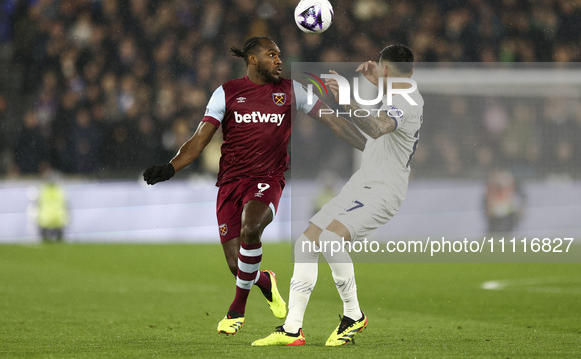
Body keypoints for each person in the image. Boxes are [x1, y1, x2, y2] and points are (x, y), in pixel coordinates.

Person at [143, 36, 366, 335]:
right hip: (230, 183)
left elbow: (335, 121)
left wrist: (371, 147)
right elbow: (200, 138)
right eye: (271, 55)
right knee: (238, 268)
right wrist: (171, 167)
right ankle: (265, 281)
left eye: (279, 55)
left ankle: (236, 310)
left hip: (267, 179)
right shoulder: (227, 93)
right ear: (252, 59)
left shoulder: (291, 91)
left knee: (251, 228)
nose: (278, 60)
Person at [252, 44, 423, 346]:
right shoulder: (398, 92)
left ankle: (353, 315)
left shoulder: (407, 102)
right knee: (306, 243)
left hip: (383, 190)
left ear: (386, 69)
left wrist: (345, 96)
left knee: (331, 239)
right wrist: (377, 81)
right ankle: (292, 328)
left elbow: (376, 126)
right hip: (363, 183)